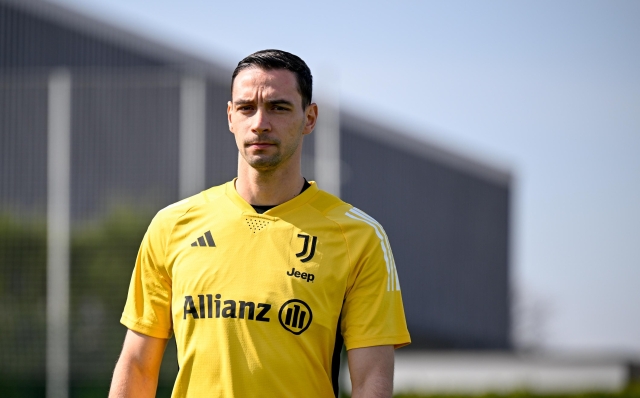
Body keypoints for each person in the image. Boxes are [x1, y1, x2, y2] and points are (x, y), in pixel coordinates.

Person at [109, 49, 410, 398]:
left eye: (279, 107)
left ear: (309, 118)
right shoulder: (172, 225)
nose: (260, 123)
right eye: (246, 107)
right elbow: (137, 364)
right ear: (230, 116)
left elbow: (372, 381)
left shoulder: (359, 236)